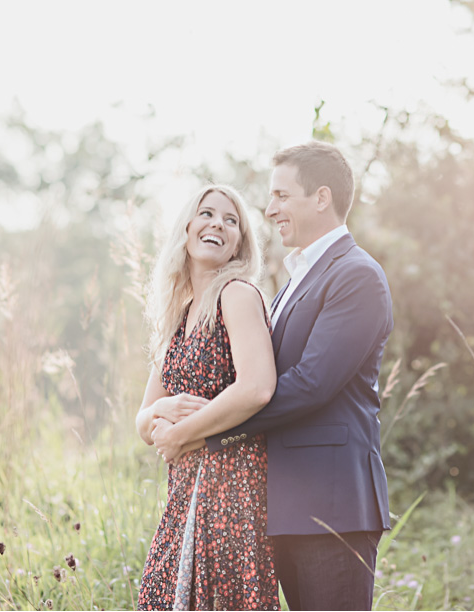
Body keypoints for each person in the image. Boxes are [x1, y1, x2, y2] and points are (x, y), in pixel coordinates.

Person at [154, 141, 394, 610]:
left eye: (282, 195)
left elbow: (310, 384)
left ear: (320, 198)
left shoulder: (357, 275)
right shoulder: (292, 284)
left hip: (334, 505)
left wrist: (205, 433)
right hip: (283, 506)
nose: (270, 209)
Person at [135, 184, 280, 610]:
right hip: (183, 489)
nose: (218, 223)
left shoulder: (235, 295)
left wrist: (183, 435)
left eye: (231, 220)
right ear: (187, 228)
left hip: (231, 488)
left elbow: (257, 387)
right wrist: (161, 412)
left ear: (239, 243)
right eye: (208, 214)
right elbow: (144, 421)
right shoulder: (179, 317)